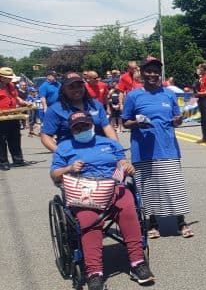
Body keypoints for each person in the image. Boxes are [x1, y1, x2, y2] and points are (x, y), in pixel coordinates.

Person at [50, 111, 155, 290]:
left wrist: (126, 166)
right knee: (88, 220)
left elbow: (121, 162)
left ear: (92, 125)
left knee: (128, 209)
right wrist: (69, 167)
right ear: (72, 130)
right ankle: (94, 273)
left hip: (112, 186)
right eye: (77, 127)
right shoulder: (64, 147)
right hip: (83, 190)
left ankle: (137, 262)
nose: (82, 129)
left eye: (85, 125)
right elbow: (54, 176)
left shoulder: (108, 142)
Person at [121, 57, 194, 239]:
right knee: (148, 188)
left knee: (173, 185)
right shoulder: (133, 96)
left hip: (168, 148)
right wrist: (137, 123)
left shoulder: (168, 94)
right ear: (142, 74)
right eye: (149, 71)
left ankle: (180, 222)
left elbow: (176, 118)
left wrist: (178, 120)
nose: (153, 74)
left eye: (156, 71)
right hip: (143, 149)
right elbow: (125, 122)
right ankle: (152, 223)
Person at [40, 72, 118, 152]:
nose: (76, 89)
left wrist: (116, 148)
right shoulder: (54, 110)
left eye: (79, 86)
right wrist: (61, 153)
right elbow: (46, 136)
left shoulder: (95, 105)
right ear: (64, 89)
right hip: (72, 156)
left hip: (99, 152)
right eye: (71, 87)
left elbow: (107, 127)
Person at [0, 67, 29, 170]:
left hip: (13, 115)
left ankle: (18, 160)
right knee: (1, 141)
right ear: (1, 77)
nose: (10, 79)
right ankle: (3, 162)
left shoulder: (11, 85)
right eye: (8, 78)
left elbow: (16, 97)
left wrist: (24, 102)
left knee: (15, 138)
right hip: (1, 118)